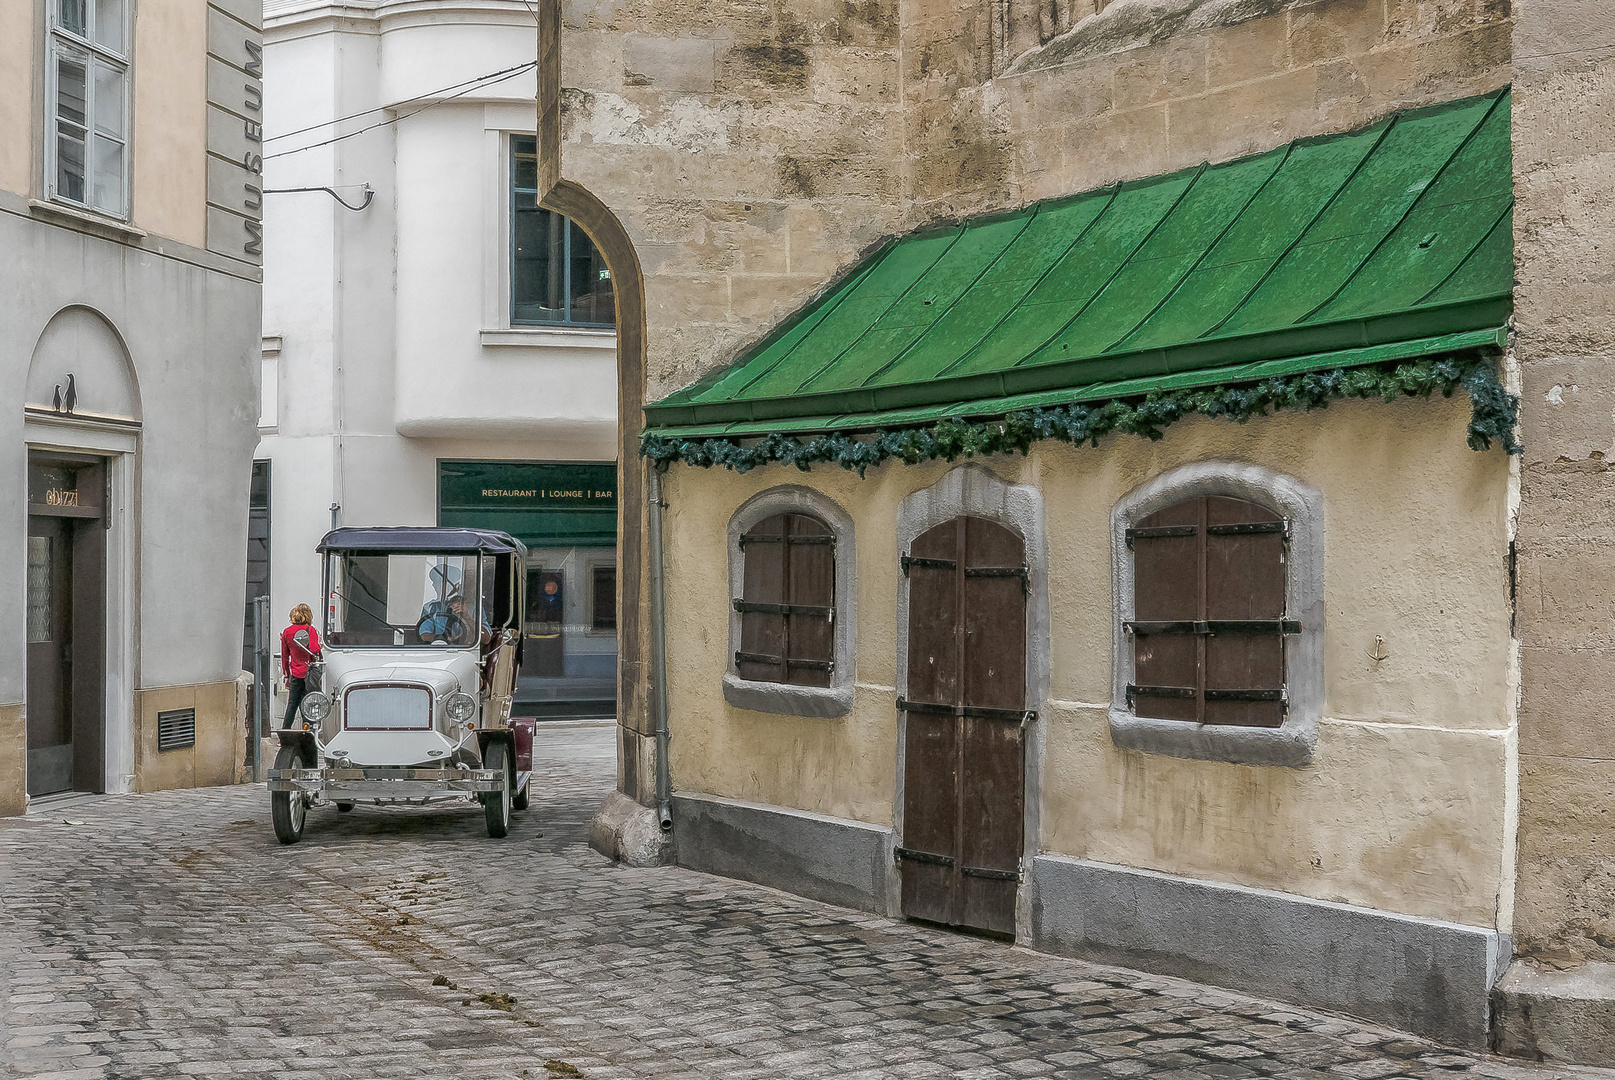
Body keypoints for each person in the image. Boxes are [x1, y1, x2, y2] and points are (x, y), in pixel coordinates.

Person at [280, 604, 322, 728]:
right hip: (309, 674)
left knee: (292, 704)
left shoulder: (287, 632)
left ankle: (284, 733)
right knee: (308, 702)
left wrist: (286, 675)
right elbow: (314, 650)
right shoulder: (310, 631)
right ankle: (307, 731)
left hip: (295, 673)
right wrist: (319, 645)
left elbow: (284, 656)